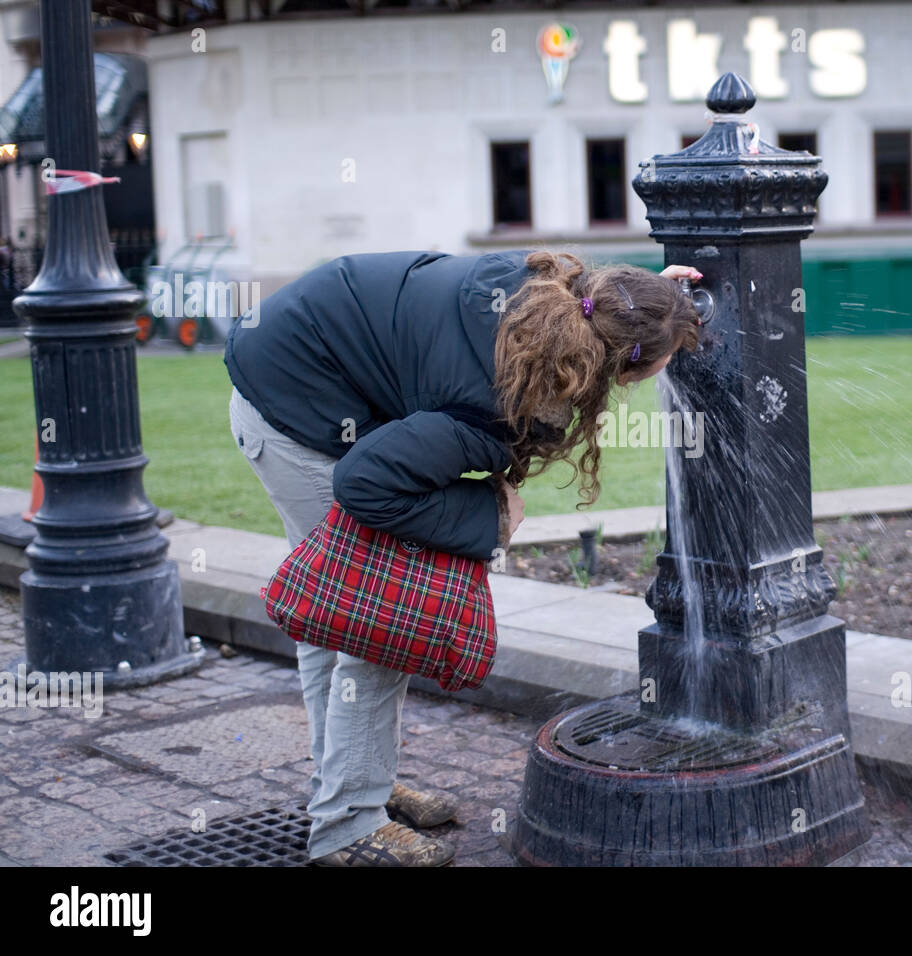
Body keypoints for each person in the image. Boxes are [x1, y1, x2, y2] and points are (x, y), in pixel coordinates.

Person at [225, 249, 702, 866]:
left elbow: (608, 311)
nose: (673, 363)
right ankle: (347, 824)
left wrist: (651, 307)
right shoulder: (489, 400)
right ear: (620, 363)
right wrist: (492, 515)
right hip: (296, 417)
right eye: (665, 357)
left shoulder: (552, 295)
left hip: (300, 367)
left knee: (336, 616)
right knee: (373, 622)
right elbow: (365, 484)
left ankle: (350, 781)